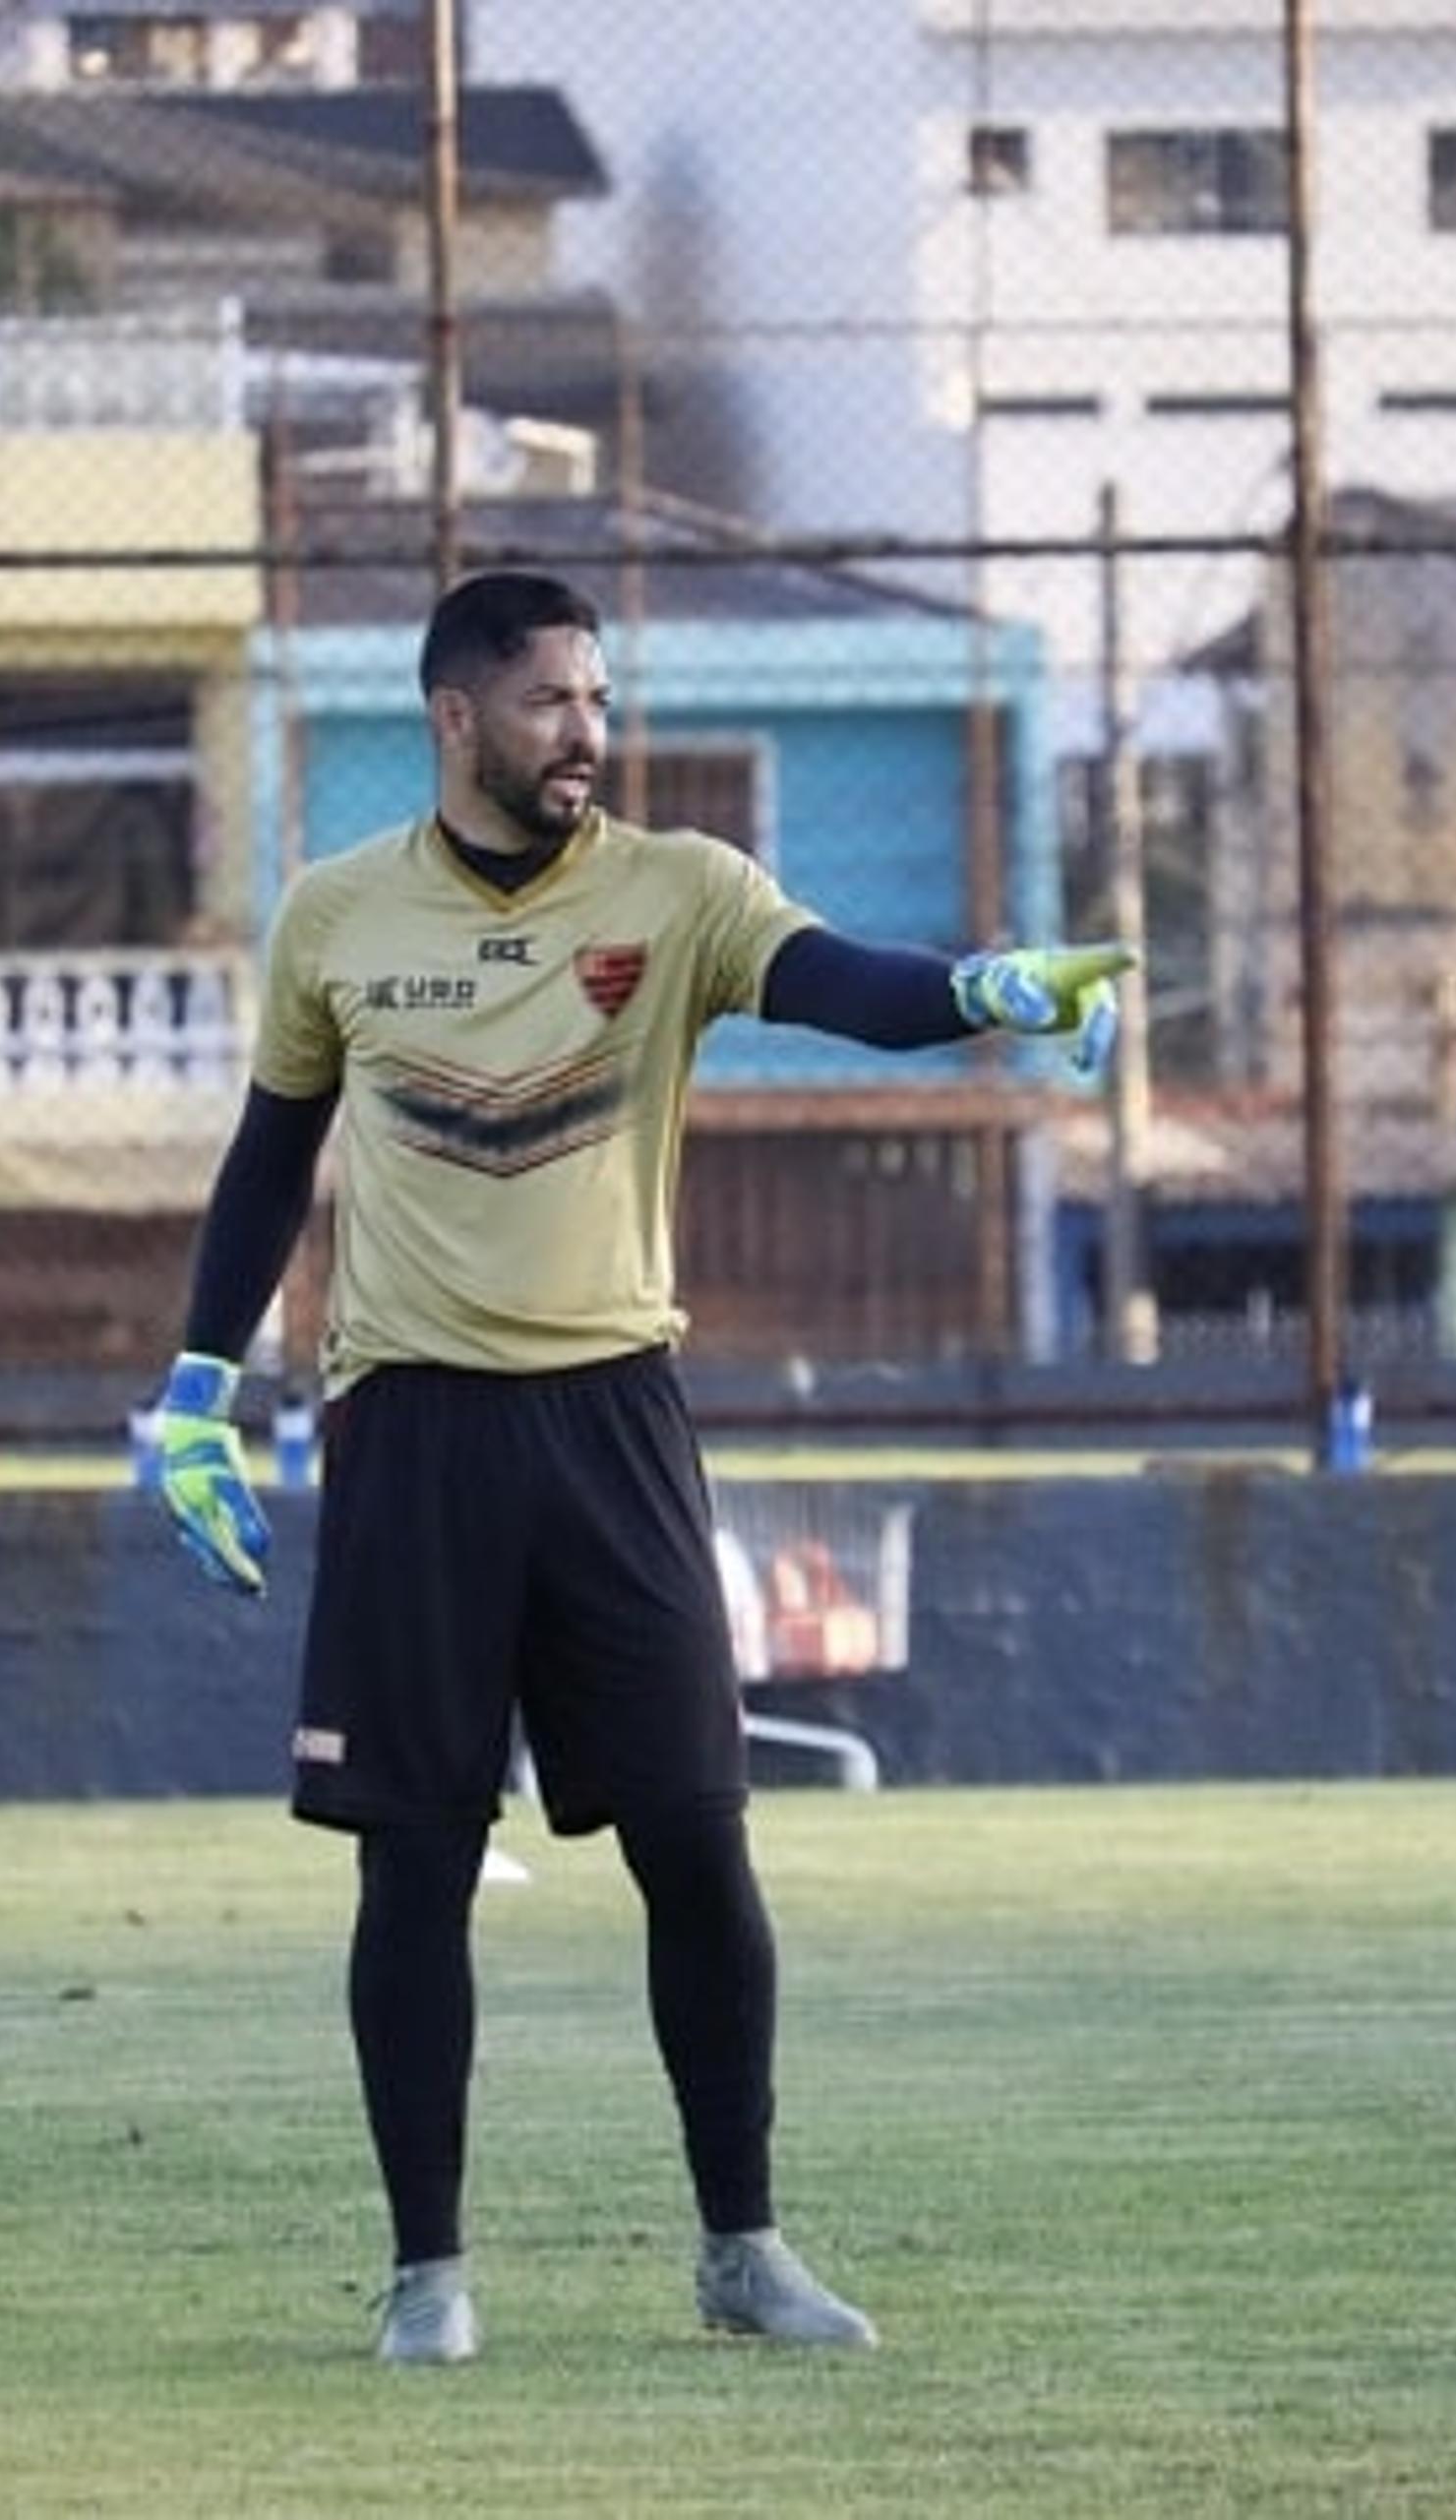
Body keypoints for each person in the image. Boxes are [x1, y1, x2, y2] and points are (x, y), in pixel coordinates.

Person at [150, 568, 1129, 2366]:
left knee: (700, 1842)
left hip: (614, 1423)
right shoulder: (335, 917)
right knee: (413, 1865)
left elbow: (844, 981)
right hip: (414, 1438)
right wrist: (198, 1392)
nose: (585, 732)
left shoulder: (679, 892)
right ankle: (427, 2275)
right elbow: (267, 1158)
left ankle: (741, 2247)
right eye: (549, 702)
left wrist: (986, 984)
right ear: (456, 718)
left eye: (598, 700)